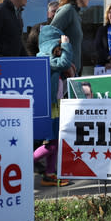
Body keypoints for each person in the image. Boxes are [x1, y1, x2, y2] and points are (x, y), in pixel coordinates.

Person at [34, 24, 73, 186]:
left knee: (55, 142)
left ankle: (49, 174)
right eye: (58, 45)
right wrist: (66, 45)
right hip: (49, 107)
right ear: (50, 44)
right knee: (50, 144)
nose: (60, 49)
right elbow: (64, 63)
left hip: (55, 105)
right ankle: (21, 165)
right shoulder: (45, 57)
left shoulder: (49, 57)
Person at [49, 0, 91, 76]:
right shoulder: (68, 10)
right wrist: (65, 64)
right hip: (64, 74)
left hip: (74, 74)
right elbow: (50, 36)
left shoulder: (76, 14)